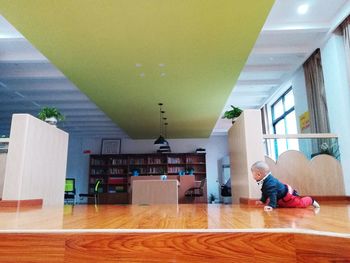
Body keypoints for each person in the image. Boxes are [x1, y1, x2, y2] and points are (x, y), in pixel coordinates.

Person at [251, 161, 320, 211]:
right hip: (280, 198)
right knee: (275, 202)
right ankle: (276, 203)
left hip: (288, 198)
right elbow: (265, 192)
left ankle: (310, 200)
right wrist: (262, 201)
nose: (252, 176)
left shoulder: (270, 183)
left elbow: (272, 194)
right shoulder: (266, 181)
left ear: (259, 174)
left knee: (299, 204)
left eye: (253, 174)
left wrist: (271, 206)